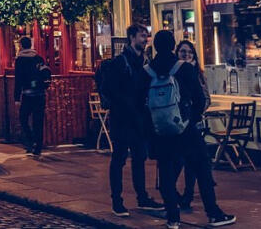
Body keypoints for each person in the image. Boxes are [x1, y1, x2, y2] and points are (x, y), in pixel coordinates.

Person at [143, 31, 235, 228]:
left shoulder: (147, 72)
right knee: (202, 169)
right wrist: (189, 120)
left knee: (166, 173)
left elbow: (141, 105)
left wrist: (153, 128)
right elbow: (200, 100)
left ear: (155, 46)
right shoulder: (184, 68)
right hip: (186, 130)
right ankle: (213, 213)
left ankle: (173, 218)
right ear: (173, 46)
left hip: (160, 132)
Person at [98, 24, 162, 217]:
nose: (145, 39)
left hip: (139, 119)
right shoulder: (120, 62)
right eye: (142, 36)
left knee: (139, 158)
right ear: (132, 37)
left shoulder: (145, 62)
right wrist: (128, 105)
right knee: (119, 159)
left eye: (146, 36)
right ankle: (117, 201)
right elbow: (113, 90)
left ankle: (142, 197)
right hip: (122, 119)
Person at [174, 40, 207, 211]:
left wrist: (195, 113)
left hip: (194, 123)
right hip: (178, 123)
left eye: (189, 52)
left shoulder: (198, 73)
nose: (186, 55)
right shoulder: (174, 72)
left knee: (192, 162)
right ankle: (174, 194)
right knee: (179, 159)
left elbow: (205, 98)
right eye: (183, 51)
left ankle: (188, 194)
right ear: (177, 53)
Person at [13, 37, 50, 156]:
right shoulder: (38, 58)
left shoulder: (20, 60)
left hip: (27, 94)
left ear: (21, 46)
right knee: (38, 120)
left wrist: (16, 97)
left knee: (23, 118)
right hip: (40, 93)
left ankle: (30, 141)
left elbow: (18, 79)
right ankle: (38, 146)